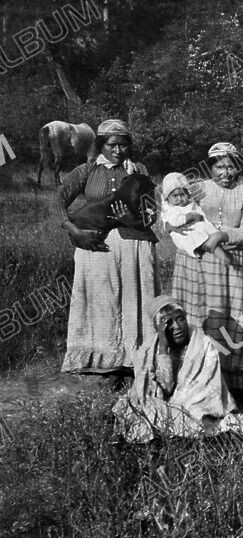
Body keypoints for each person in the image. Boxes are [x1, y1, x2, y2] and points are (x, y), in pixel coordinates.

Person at [57, 119, 159, 389]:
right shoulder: (87, 170)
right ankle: (105, 362)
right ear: (100, 144)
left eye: (124, 144)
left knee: (134, 299)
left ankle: (134, 361)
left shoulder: (139, 171)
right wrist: (75, 231)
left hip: (135, 244)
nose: (118, 150)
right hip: (96, 246)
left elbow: (153, 212)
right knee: (102, 301)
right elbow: (58, 200)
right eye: (112, 144)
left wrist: (134, 218)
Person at [169, 142, 243, 393]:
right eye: (220, 167)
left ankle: (225, 379)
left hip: (229, 263)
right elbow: (173, 207)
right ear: (211, 168)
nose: (225, 173)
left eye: (231, 167)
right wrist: (178, 228)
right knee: (196, 314)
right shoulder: (197, 189)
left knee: (225, 316)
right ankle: (189, 374)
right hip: (195, 260)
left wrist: (221, 235)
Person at [113, 295, 243, 443]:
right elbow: (159, 390)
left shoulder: (203, 345)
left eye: (180, 319)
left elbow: (204, 391)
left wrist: (174, 404)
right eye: (168, 323)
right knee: (135, 404)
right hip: (167, 405)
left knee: (184, 416)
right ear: (158, 329)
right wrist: (163, 350)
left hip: (196, 405)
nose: (177, 327)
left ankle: (177, 427)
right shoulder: (148, 351)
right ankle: (174, 427)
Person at [161, 172, 230, 264]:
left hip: (196, 226)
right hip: (184, 234)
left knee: (208, 229)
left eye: (182, 194)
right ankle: (219, 254)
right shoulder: (170, 209)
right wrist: (190, 217)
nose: (180, 198)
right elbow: (174, 222)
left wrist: (199, 218)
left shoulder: (190, 203)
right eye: (175, 196)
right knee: (197, 236)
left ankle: (220, 242)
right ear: (167, 197)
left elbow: (200, 213)